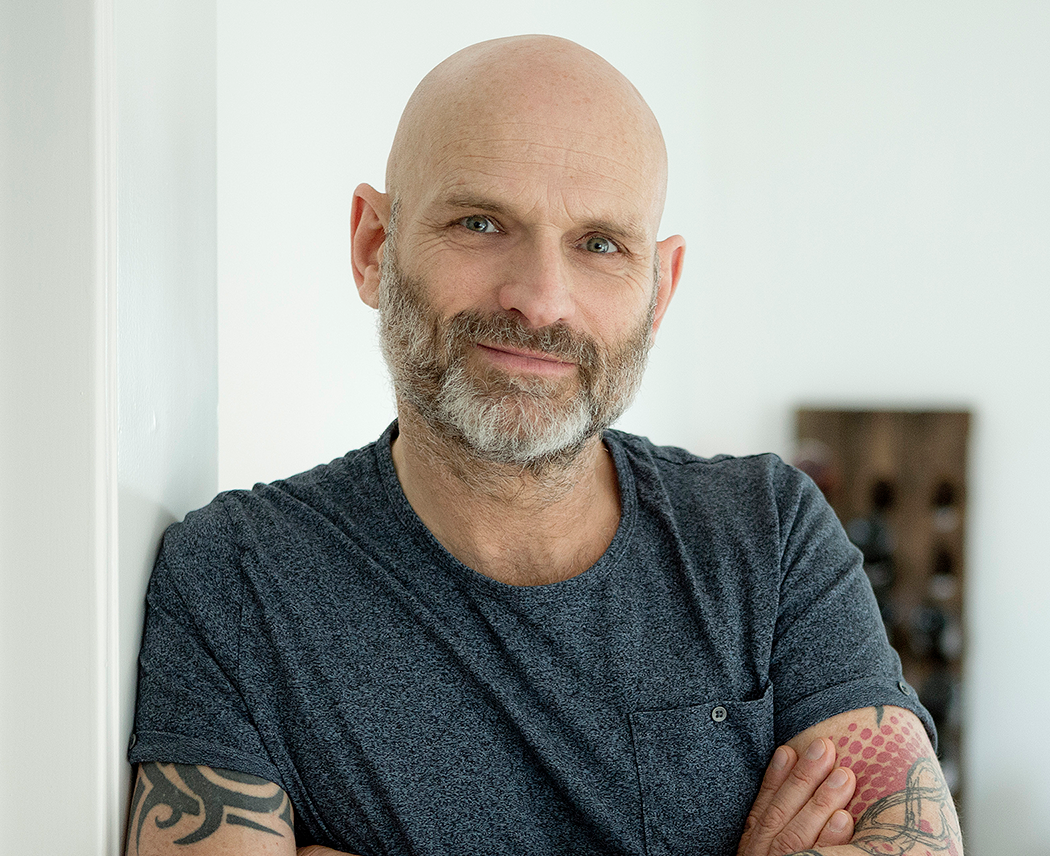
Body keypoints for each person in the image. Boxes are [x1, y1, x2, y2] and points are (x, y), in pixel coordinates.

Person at [126, 35, 962, 856]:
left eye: (600, 244)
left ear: (659, 289)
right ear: (374, 246)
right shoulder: (239, 577)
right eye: (481, 222)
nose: (540, 300)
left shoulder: (766, 535)